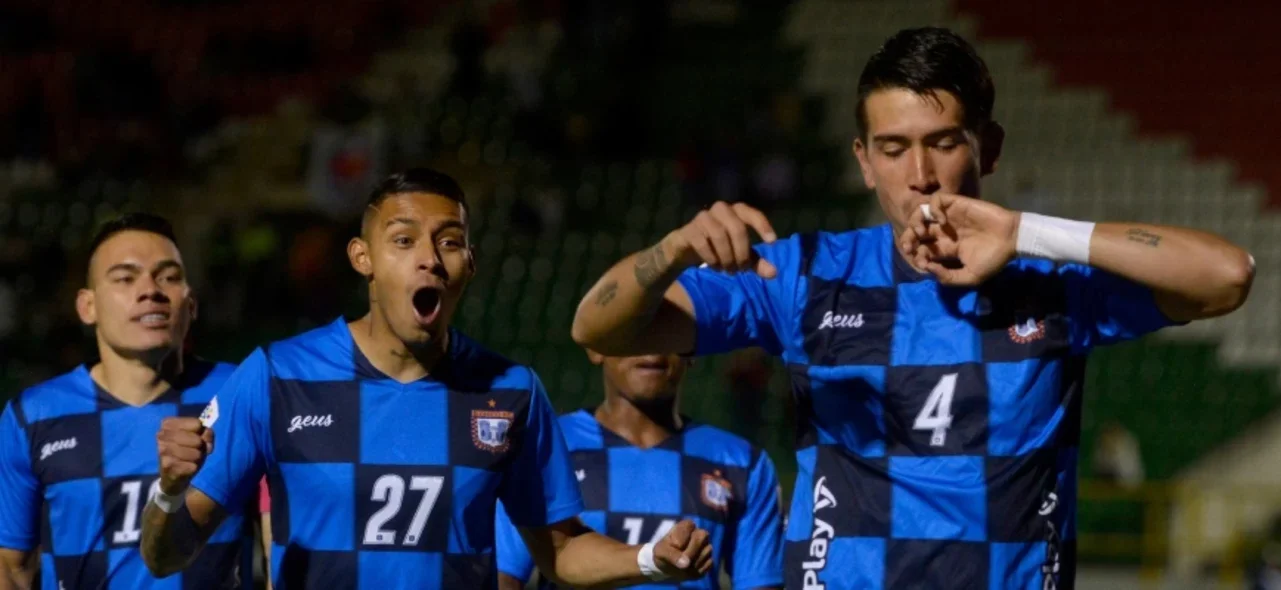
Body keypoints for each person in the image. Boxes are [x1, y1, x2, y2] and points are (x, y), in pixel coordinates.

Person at [570, 27, 1255, 589]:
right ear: (863, 162)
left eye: (943, 142)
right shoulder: (804, 274)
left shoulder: (1050, 280)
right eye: (893, 149)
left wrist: (1022, 232)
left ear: (986, 148)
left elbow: (1225, 276)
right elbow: (595, 326)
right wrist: (668, 254)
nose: (919, 175)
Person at [138, 168, 713, 588]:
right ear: (362, 258)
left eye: (450, 242)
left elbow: (560, 550)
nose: (430, 259)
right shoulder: (275, 376)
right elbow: (165, 557)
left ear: (470, 263)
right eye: (404, 240)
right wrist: (167, 490)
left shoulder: (510, 391)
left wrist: (648, 560)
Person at [0, 213, 252, 589]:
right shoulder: (32, 416)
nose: (150, 290)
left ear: (192, 303)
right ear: (88, 307)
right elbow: (11, 566)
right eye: (125, 278)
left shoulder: (242, 394)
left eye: (168, 276)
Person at [494, 352, 785, 590]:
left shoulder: (742, 462)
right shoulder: (544, 447)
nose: (651, 345)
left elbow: (761, 583)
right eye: (633, 328)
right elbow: (502, 576)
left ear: (694, 347)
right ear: (594, 346)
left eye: (667, 330)